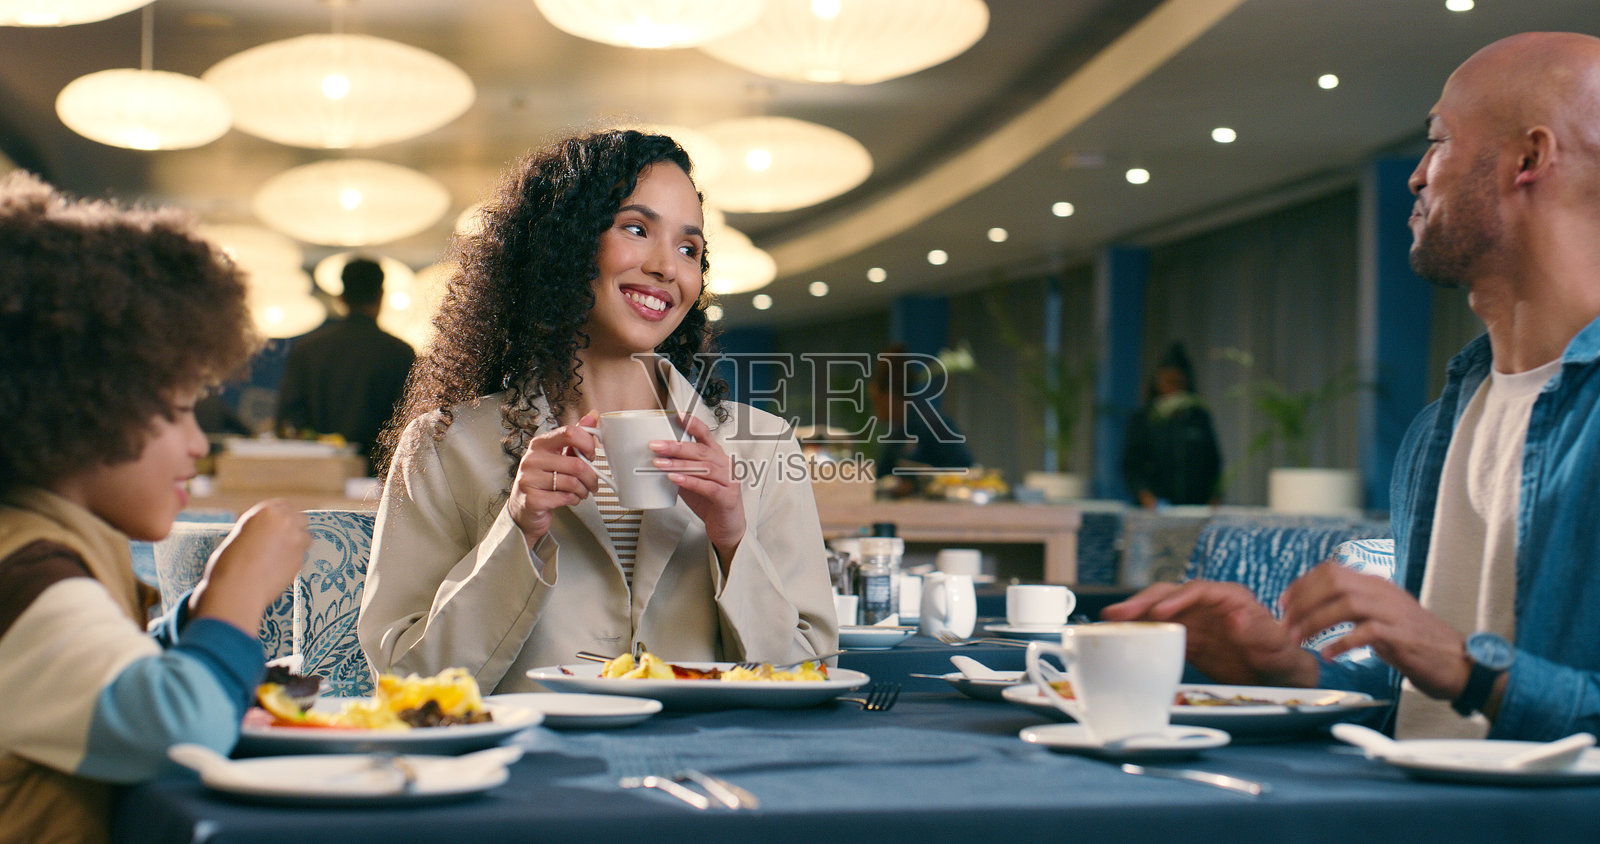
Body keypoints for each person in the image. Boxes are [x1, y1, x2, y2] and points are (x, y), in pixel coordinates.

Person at [1103, 32, 1600, 742]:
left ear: (1529, 159)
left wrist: (1467, 668)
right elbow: (1425, 701)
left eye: (1439, 141)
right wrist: (1291, 673)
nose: (1417, 175)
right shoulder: (1443, 426)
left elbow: (1461, 673)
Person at [357, 130, 836, 692]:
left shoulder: (764, 445)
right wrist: (517, 533)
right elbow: (404, 681)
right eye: (636, 229)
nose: (667, 267)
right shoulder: (442, 447)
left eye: (690, 249)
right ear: (565, 244)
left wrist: (732, 538)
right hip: (531, 767)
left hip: (707, 767)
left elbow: (812, 672)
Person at [0, 171, 311, 842]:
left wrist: (195, 616)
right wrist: (237, 594)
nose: (198, 442)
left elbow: (104, 684)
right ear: (80, 409)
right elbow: (175, 730)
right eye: (176, 411)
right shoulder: (23, 572)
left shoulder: (52, 543)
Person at [275, 256, 416, 459]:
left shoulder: (308, 350)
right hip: (379, 477)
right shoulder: (400, 353)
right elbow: (409, 424)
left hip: (319, 470)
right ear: (381, 296)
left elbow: (287, 421)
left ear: (341, 298)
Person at [1121, 343, 1222, 508]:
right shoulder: (1144, 418)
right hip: (1155, 507)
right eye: (1168, 382)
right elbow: (1131, 466)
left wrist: (1214, 499)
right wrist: (1147, 498)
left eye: (1177, 383)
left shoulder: (1199, 417)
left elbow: (1214, 463)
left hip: (1195, 506)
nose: (1172, 389)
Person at [868, 343, 974, 497]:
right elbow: (880, 476)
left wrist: (917, 485)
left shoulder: (933, 425)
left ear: (890, 397)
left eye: (876, 403)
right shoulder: (897, 436)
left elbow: (965, 467)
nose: (876, 411)